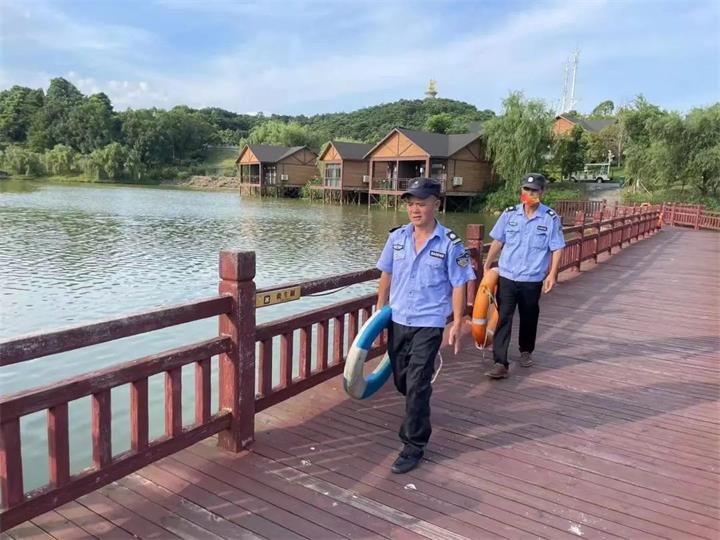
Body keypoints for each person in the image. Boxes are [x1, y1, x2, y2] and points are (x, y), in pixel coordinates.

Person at [376, 177, 476, 473]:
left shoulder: (451, 244)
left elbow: (459, 284)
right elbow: (386, 273)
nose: (414, 210)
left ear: (436, 204)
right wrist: (379, 308)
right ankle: (418, 401)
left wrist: (457, 321)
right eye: (410, 204)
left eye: (421, 203)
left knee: (417, 382)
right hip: (398, 318)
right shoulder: (397, 238)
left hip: (429, 323)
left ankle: (413, 445)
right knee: (402, 380)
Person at [483, 173, 565, 379]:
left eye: (534, 190)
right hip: (508, 276)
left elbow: (557, 247)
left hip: (532, 278)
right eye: (526, 189)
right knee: (504, 317)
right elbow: (498, 240)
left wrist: (552, 274)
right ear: (521, 191)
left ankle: (526, 350)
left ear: (541, 192)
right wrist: (487, 263)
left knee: (529, 316)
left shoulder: (550, 218)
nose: (529, 193)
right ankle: (500, 362)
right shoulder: (509, 214)